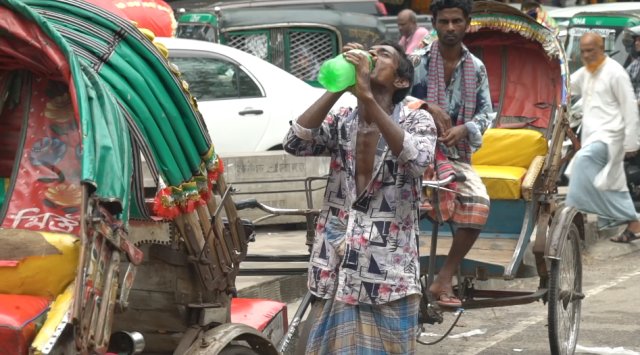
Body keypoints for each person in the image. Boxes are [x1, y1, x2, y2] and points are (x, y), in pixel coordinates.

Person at [283, 40, 436, 354]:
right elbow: (294, 142)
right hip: (338, 262)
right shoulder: (342, 119)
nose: (372, 56)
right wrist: (338, 86)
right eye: (371, 51)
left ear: (401, 81)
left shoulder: (417, 120)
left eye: (383, 54)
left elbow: (418, 160)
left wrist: (367, 94)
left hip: (388, 270)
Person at [410, 0, 494, 308]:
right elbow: (391, 98)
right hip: (413, 151)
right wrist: (425, 106)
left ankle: (444, 277)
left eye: (456, 21)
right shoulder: (416, 60)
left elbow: (488, 113)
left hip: (456, 154)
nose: (450, 28)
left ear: (467, 23)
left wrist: (465, 128)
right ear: (433, 23)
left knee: (480, 205)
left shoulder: (477, 68)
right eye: (443, 22)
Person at [566, 32, 640, 243]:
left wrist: (632, 142)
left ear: (601, 49)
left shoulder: (615, 72)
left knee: (582, 162)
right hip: (593, 136)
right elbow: (567, 86)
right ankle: (631, 222)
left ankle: (572, 212)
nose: (587, 55)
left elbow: (630, 108)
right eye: (583, 51)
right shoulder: (586, 72)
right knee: (610, 183)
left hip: (612, 137)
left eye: (591, 50)